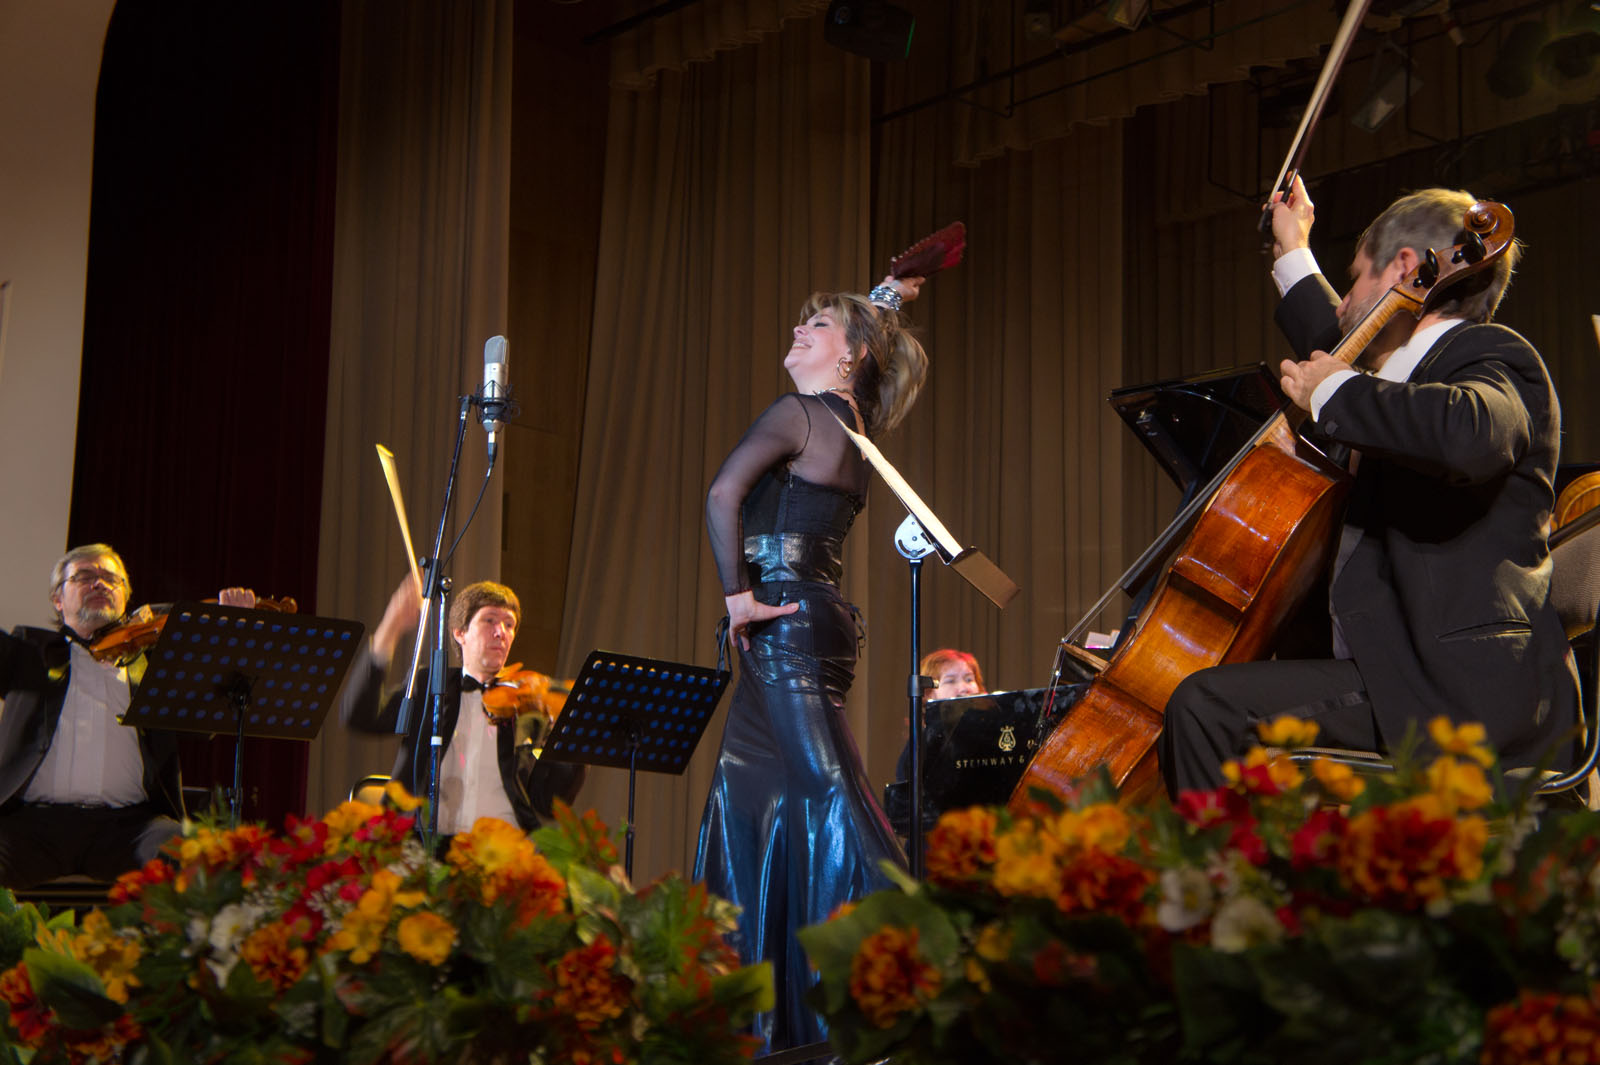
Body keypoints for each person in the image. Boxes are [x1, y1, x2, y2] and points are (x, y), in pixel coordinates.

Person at [1157, 180, 1579, 794]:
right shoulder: (1392, 388)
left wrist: (1332, 390)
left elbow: (1468, 435)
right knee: (1215, 703)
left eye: (1353, 279)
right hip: (1399, 677)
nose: (1344, 301)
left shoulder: (1490, 356)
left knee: (1206, 708)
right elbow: (1343, 353)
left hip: (1459, 690)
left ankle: (1228, 888)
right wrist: (1291, 251)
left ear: (1405, 269)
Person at [695, 274, 929, 1055]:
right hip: (812, 621)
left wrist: (736, 597)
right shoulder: (853, 428)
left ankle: (921, 973)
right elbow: (858, 341)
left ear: (850, 355)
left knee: (829, 799)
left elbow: (723, 493)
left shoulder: (798, 413)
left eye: (815, 326)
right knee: (748, 803)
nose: (797, 333)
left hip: (782, 620)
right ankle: (765, 1021)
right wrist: (882, 299)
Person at [0, 543, 256, 888]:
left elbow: (205, 724)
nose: (99, 584)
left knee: (203, 863)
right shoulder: (29, 651)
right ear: (58, 600)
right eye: (84, 576)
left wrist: (233, 632)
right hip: (32, 825)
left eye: (111, 579)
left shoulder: (155, 665)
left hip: (129, 829)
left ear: (125, 600)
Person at [338, 577, 585, 836]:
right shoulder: (431, 687)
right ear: (460, 632)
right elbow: (360, 716)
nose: (501, 632)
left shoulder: (529, 708)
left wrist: (570, 741)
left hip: (504, 851)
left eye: (509, 624)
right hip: (426, 847)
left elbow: (549, 803)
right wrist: (391, 628)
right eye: (489, 620)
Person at [894, 648, 986, 783]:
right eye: (950, 681)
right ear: (929, 693)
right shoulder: (923, 743)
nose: (964, 688)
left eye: (969, 679)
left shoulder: (989, 731)